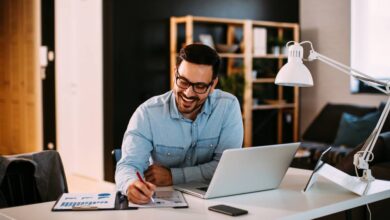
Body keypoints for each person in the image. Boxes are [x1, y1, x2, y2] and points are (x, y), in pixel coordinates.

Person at [115, 43, 244, 204]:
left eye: (200, 86)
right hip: (163, 202)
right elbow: (128, 165)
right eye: (183, 81)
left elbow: (225, 167)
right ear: (175, 73)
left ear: (213, 85)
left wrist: (173, 176)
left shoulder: (227, 107)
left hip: (212, 201)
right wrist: (130, 185)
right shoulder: (147, 113)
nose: (188, 93)